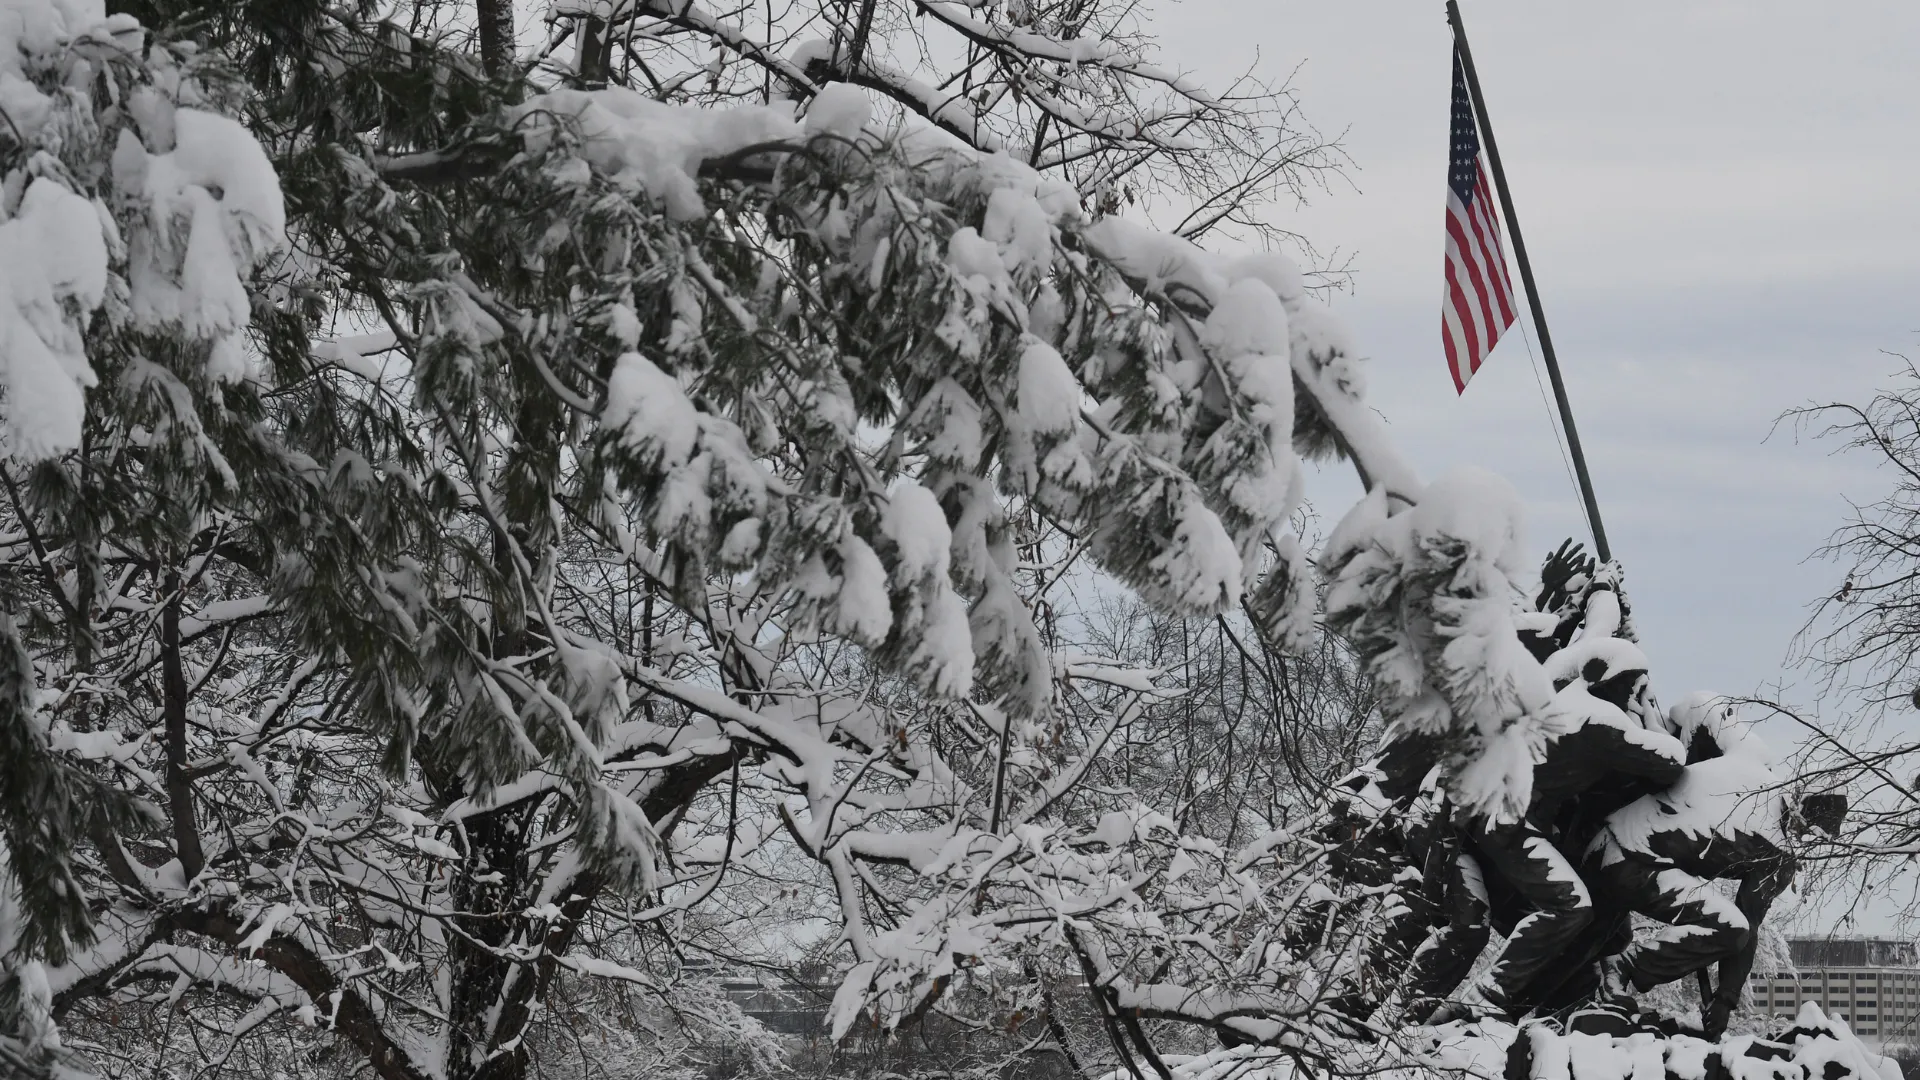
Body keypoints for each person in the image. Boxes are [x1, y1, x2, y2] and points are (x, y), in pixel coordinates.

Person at [1584, 694, 1795, 1037]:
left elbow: (1699, 706)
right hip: (1631, 860)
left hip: (1605, 846)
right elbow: (1746, 929)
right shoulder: (1779, 856)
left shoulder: (1748, 762)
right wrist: (1725, 999)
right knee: (1730, 928)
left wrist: (1691, 761)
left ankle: (1604, 975)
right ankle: (1624, 965)